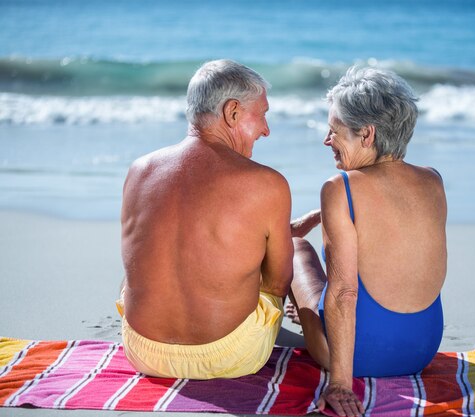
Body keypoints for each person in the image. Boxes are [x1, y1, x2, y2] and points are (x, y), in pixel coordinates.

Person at [117, 59, 297, 380]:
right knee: (269, 258)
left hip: (143, 352)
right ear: (232, 112)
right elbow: (278, 283)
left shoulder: (139, 170)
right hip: (232, 357)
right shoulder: (268, 184)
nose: (266, 130)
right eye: (263, 114)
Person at [289, 67, 447, 417]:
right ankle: (312, 313)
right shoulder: (433, 181)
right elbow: (392, 221)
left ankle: (301, 315)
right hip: (421, 349)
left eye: (334, 131)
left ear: (367, 134)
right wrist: (319, 216)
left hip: (360, 354)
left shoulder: (339, 188)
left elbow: (345, 293)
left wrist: (340, 384)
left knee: (295, 248)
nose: (327, 141)